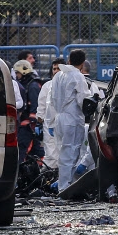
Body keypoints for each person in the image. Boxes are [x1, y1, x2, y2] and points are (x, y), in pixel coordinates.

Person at [46, 49, 91, 192]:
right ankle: (65, 188)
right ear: (83, 63)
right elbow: (82, 99)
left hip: (59, 118)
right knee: (71, 155)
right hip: (72, 119)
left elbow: (50, 101)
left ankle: (66, 185)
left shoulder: (58, 76)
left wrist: (50, 122)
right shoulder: (77, 76)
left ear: (69, 60)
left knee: (63, 155)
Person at [36, 58, 66, 170]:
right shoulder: (47, 86)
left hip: (65, 123)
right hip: (49, 125)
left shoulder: (69, 84)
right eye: (54, 68)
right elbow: (42, 106)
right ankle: (49, 177)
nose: (56, 71)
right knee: (51, 154)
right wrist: (39, 123)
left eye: (58, 68)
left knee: (64, 153)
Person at [13, 59, 44, 164]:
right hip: (25, 122)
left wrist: (32, 122)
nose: (17, 75)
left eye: (17, 72)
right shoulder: (27, 84)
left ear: (24, 71)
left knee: (23, 148)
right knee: (35, 149)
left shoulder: (33, 85)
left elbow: (35, 105)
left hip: (28, 124)